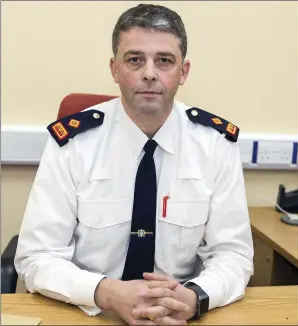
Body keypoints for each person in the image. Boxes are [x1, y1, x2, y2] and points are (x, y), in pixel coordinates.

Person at [15, 3, 254, 326]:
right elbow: (37, 257)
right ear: (115, 69)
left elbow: (233, 254)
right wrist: (107, 292)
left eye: (164, 60)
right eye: (135, 59)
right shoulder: (73, 144)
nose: (150, 73)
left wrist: (194, 297)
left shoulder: (214, 144)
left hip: (179, 315)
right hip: (92, 313)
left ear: (183, 73)